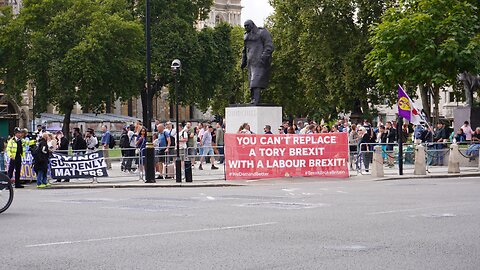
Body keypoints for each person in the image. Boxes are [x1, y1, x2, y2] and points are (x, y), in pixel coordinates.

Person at [241, 20, 274, 105]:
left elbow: (269, 46)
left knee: (255, 82)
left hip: (260, 62)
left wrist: (263, 58)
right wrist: (243, 61)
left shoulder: (262, 32)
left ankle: (256, 100)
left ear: (252, 25)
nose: (246, 28)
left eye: (247, 26)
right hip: (250, 63)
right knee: (251, 83)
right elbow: (245, 50)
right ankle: (253, 99)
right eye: (245, 26)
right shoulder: (246, 36)